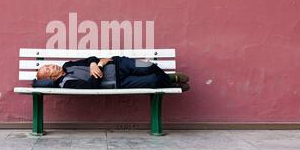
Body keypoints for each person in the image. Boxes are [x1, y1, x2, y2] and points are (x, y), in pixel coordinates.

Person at [34, 56, 189, 91]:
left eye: (48, 65)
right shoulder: (66, 83)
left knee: (148, 66)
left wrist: (94, 63)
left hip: (118, 64)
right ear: (51, 77)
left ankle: (171, 78)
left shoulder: (67, 65)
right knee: (154, 80)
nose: (51, 66)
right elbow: (91, 86)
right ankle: (171, 82)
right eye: (48, 69)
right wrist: (99, 65)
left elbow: (91, 58)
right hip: (119, 83)